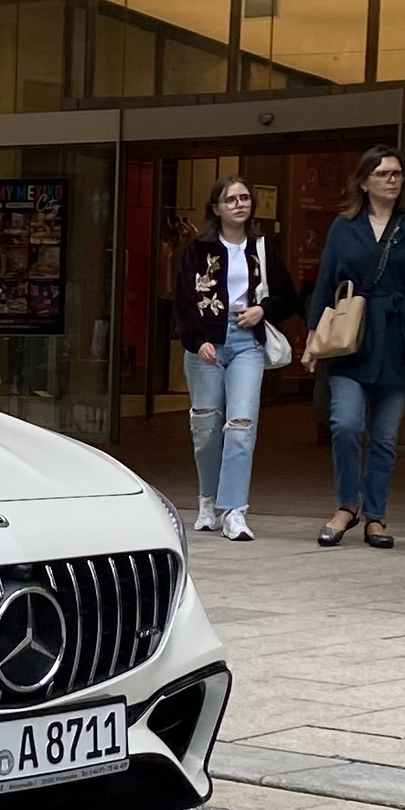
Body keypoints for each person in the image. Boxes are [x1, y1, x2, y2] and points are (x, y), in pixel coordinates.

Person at [301, 147, 405, 549]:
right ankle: (347, 504)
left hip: (399, 334)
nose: (392, 180)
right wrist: (312, 334)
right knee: (345, 423)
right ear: (364, 182)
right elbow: (326, 279)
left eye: (397, 173)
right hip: (351, 336)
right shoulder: (344, 226)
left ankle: (375, 515)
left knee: (385, 436)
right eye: (383, 174)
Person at [171, 176, 299, 544]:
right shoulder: (197, 249)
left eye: (245, 198)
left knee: (241, 426)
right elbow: (182, 299)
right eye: (231, 199)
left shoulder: (262, 247)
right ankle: (208, 502)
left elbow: (289, 297)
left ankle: (236, 511)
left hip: (247, 342)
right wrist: (196, 341)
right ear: (216, 208)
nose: (240, 204)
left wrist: (263, 310)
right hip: (206, 343)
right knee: (206, 428)